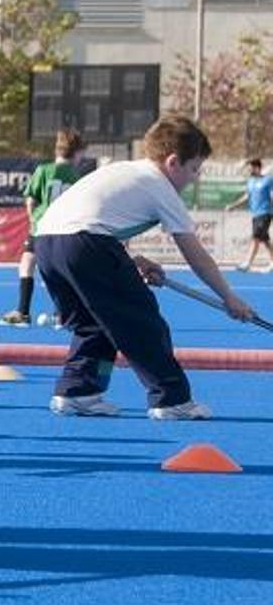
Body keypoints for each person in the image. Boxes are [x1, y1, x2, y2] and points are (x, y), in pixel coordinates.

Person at [35, 115, 254, 420]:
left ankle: (78, 391)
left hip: (47, 243)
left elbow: (96, 215)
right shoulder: (159, 185)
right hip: (86, 243)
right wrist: (229, 298)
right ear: (173, 162)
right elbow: (196, 255)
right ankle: (172, 399)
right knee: (143, 323)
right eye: (194, 169)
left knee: (93, 324)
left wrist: (131, 260)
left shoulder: (126, 171)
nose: (195, 178)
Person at [0, 128, 86, 328]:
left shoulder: (44, 171)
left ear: (57, 150)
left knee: (27, 263)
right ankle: (62, 314)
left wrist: (33, 220)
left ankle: (23, 311)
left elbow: (31, 201)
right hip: (65, 229)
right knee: (60, 270)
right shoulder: (77, 179)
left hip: (42, 227)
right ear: (77, 152)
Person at [225, 158, 273, 272]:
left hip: (265, 212)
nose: (249, 170)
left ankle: (247, 263)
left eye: (251, 167)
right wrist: (233, 206)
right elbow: (247, 197)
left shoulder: (268, 180)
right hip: (255, 214)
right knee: (265, 240)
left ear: (257, 168)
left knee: (255, 237)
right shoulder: (250, 181)